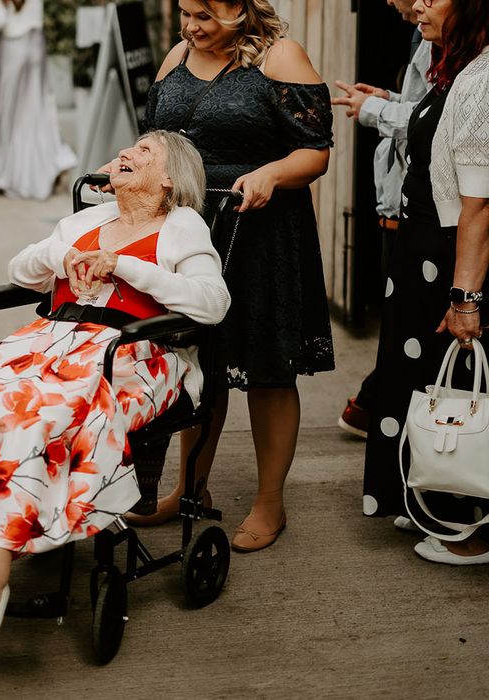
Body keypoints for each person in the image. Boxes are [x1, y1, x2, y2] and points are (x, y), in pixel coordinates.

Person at [0, 130, 230, 654]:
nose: (126, 153)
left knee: (38, 415)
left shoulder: (181, 225)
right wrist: (64, 255)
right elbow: (19, 272)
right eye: (127, 147)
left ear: (169, 179)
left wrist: (123, 265)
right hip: (54, 340)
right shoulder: (85, 222)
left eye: (144, 152)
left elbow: (213, 304)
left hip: (137, 352)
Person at [113, 0, 333, 554]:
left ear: (240, 7)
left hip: (262, 232)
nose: (191, 26)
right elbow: (154, 144)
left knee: (267, 366)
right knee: (196, 356)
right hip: (189, 232)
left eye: (205, 15)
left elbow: (316, 151)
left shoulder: (280, 57)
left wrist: (271, 174)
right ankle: (190, 488)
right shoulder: (177, 56)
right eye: (186, 12)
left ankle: (269, 501)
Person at [362, 0, 489, 564]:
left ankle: (468, 525)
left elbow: (478, 205)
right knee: (422, 380)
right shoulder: (456, 66)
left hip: (453, 261)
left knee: (462, 389)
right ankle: (425, 499)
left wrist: (464, 298)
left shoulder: (482, 78)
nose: (416, 3)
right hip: (424, 257)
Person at [332, 0, 432, 440]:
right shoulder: (421, 36)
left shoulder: (449, 42)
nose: (394, 3)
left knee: (410, 323)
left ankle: (379, 407)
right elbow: (423, 107)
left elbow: (437, 119)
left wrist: (378, 112)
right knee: (402, 320)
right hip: (397, 201)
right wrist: (388, 99)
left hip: (417, 205)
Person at [0, 0, 77, 199]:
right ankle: (52, 160)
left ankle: (11, 174)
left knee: (10, 114)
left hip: (12, 47)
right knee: (38, 110)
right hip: (35, 46)